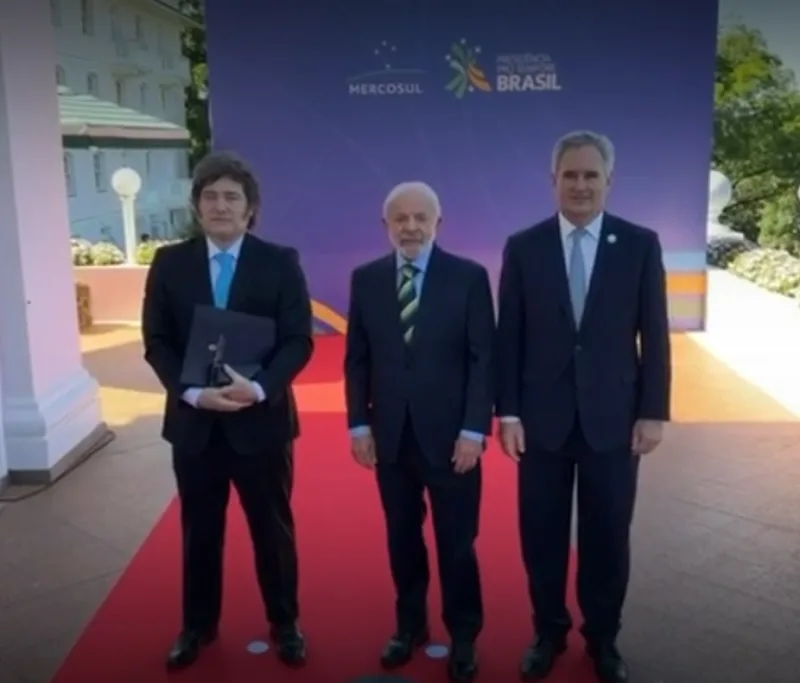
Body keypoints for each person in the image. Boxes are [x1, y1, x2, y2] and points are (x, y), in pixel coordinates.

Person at [495, 131, 671, 683]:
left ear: (609, 181)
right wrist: (509, 413)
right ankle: (548, 633)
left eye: (591, 175)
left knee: (607, 537)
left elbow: (655, 334)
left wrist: (653, 410)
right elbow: (509, 337)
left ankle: (603, 639)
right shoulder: (523, 247)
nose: (580, 185)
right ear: (554, 180)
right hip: (541, 424)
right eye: (570, 175)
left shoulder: (640, 244)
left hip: (614, 421)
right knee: (541, 537)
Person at [141, 152, 313, 670]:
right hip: (195, 424)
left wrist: (258, 389)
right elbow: (157, 341)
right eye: (210, 196)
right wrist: (192, 393)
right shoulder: (169, 263)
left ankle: (285, 623)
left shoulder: (279, 262)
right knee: (199, 530)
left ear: (250, 208)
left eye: (231, 197)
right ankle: (197, 626)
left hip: (260, 423)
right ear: (197, 205)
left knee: (272, 529)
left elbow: (298, 340)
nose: (221, 205)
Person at [344, 181, 495, 683]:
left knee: (457, 543)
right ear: (386, 225)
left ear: (438, 223)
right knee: (402, 538)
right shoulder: (366, 279)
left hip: (453, 441)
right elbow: (357, 360)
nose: (410, 227)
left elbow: (483, 359)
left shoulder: (469, 278)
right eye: (400, 219)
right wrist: (359, 425)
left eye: (420, 218)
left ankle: (464, 635)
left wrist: (474, 430)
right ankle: (409, 626)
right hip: (390, 439)